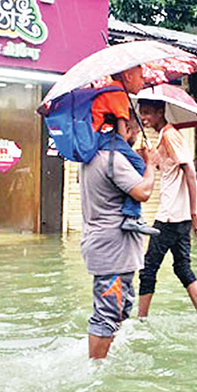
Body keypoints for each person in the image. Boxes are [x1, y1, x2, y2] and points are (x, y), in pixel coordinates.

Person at [81, 115, 157, 359]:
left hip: (111, 249)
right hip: (112, 250)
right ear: (123, 125)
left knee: (118, 308)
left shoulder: (91, 155)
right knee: (107, 314)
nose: (137, 131)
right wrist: (150, 165)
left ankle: (103, 358)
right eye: (134, 125)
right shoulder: (113, 159)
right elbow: (143, 191)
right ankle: (96, 370)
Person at [137, 99, 197, 320]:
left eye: (149, 113)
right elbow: (162, 168)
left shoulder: (170, 135)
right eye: (142, 113)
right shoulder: (164, 138)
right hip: (178, 217)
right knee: (182, 267)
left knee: (148, 268)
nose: (145, 118)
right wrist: (147, 156)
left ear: (161, 112)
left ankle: (141, 320)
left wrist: (195, 213)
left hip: (170, 216)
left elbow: (190, 172)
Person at [91, 66, 158, 235]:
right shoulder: (119, 93)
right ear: (128, 76)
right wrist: (148, 162)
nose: (143, 82)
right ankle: (132, 216)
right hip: (109, 138)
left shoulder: (109, 90)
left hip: (100, 136)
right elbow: (121, 129)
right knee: (139, 165)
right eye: (141, 77)